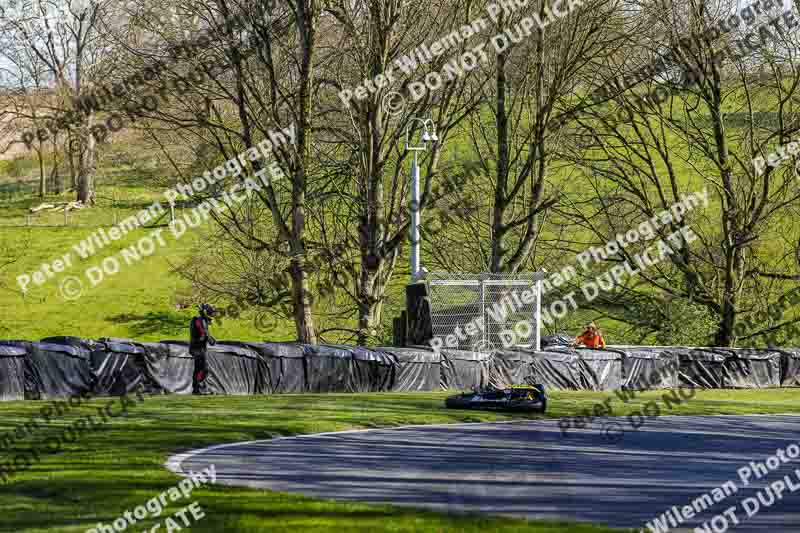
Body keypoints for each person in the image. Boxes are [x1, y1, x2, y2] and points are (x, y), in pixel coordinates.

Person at [189, 303, 217, 394]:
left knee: (202, 369)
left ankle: (197, 388)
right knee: (202, 369)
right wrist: (210, 339)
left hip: (200, 348)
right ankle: (197, 387)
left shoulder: (202, 320)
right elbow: (203, 333)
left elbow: (205, 333)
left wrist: (210, 338)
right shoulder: (200, 321)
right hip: (197, 348)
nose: (211, 321)